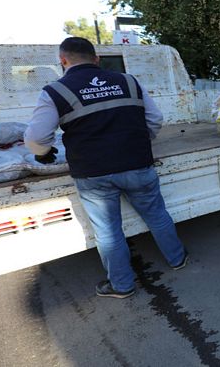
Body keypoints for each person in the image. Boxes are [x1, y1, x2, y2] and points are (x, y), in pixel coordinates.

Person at [24, 37, 187, 299]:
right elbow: (155, 119)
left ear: (63, 61)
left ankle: (121, 286)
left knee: (109, 232)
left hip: (94, 173)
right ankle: (177, 259)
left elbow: (35, 138)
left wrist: (43, 153)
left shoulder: (55, 91)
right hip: (138, 163)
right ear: (96, 59)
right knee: (157, 214)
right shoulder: (129, 81)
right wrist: (136, 140)